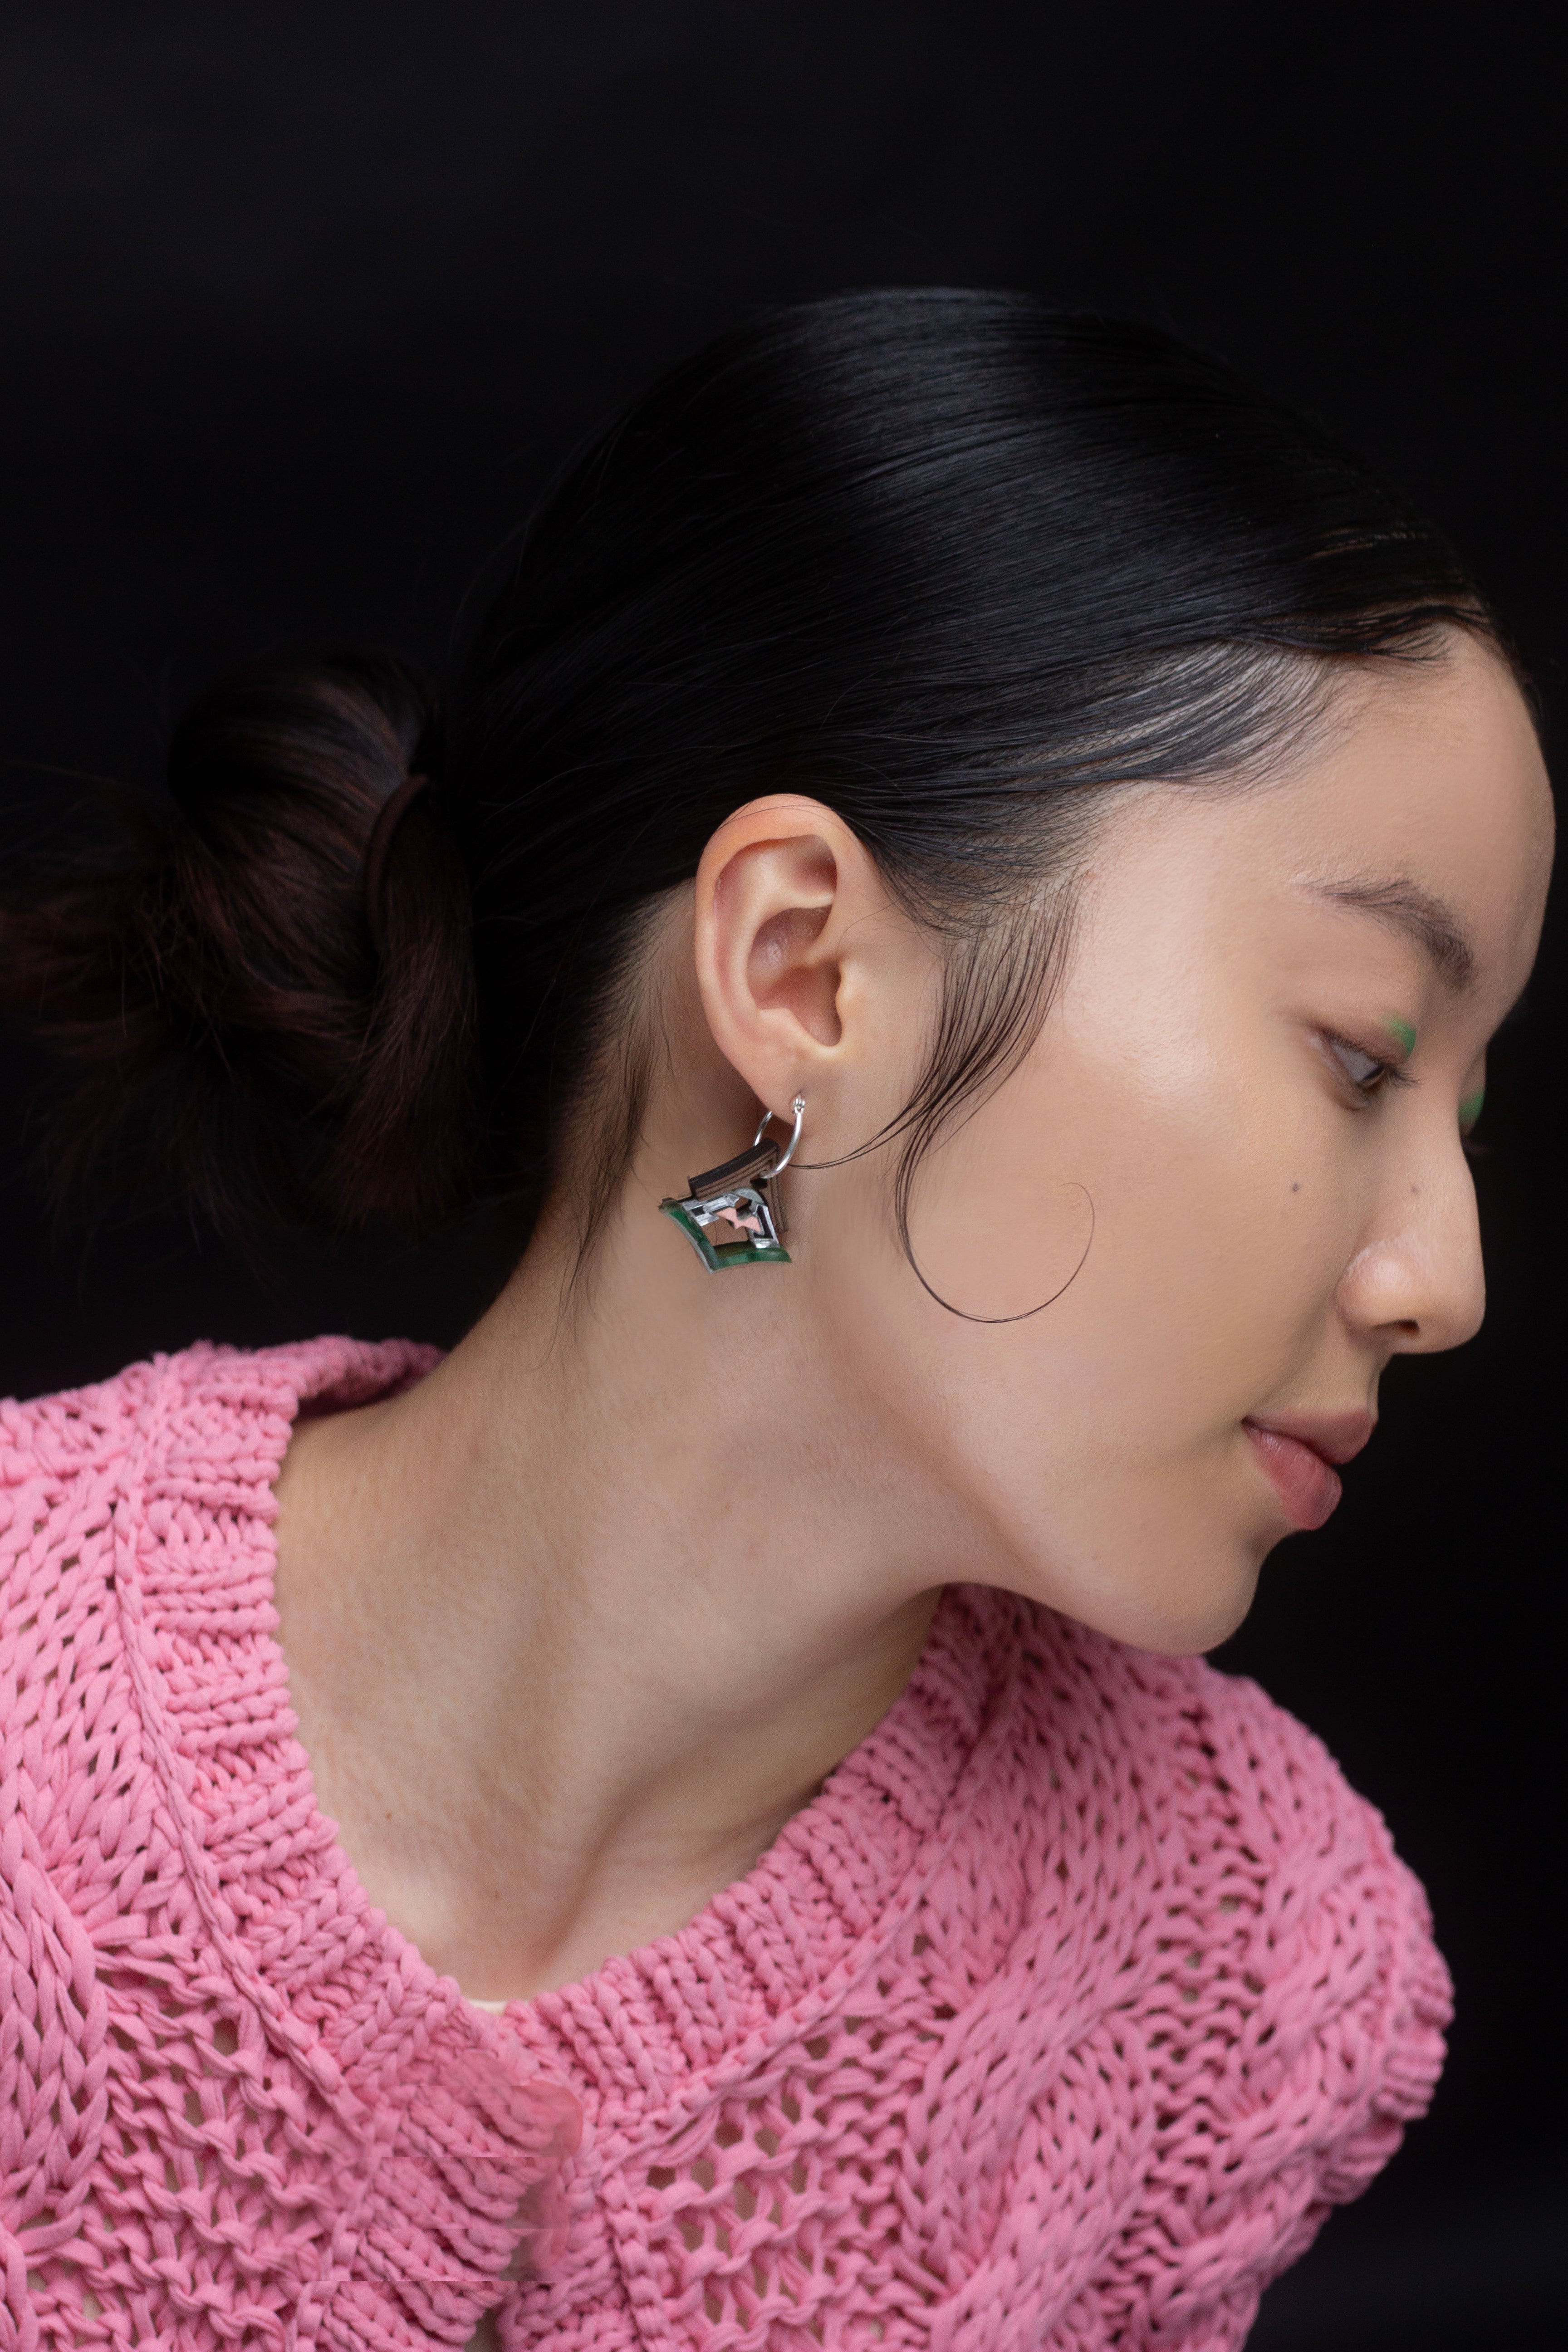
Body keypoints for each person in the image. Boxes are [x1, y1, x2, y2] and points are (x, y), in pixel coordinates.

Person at [0, 291, 1551, 2352]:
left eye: (1463, 1114)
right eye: (1364, 1057)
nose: (1445, 1280)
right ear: (806, 972)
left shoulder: (1239, 1968)